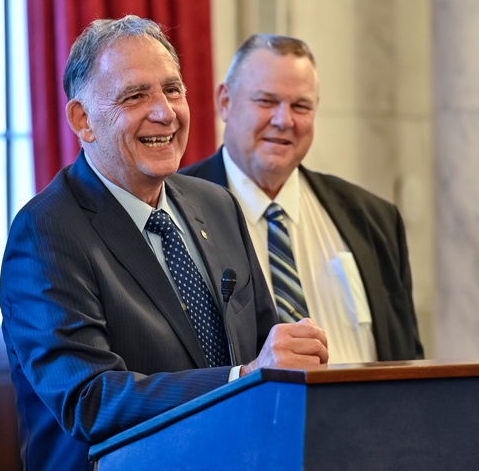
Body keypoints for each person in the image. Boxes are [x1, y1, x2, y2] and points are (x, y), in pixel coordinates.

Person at [0, 16, 328, 471]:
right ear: (83, 120)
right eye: (134, 96)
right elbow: (89, 399)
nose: (164, 112)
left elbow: (264, 342)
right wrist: (242, 377)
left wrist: (294, 358)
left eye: (172, 89)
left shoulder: (214, 205)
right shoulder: (47, 232)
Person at [180, 34, 424, 363]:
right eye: (266, 101)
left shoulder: (375, 220)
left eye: (300, 106)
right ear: (225, 101)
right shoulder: (172, 211)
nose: (284, 121)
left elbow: (406, 356)